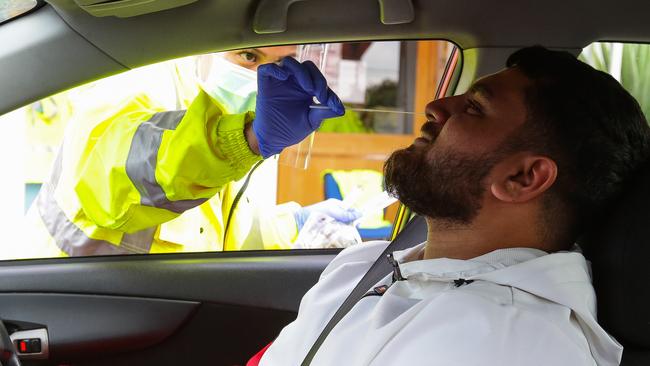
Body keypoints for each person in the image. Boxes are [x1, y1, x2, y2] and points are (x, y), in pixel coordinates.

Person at [257, 46, 650, 365]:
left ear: (523, 178)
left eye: (475, 108)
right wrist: (250, 141)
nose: (436, 106)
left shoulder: (509, 343)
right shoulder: (364, 265)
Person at [9, 50, 359, 259]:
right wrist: (246, 141)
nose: (264, 78)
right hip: (72, 320)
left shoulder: (223, 123)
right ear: (202, 48)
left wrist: (296, 226)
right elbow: (128, 170)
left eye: (282, 63)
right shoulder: (138, 84)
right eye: (248, 56)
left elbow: (221, 233)